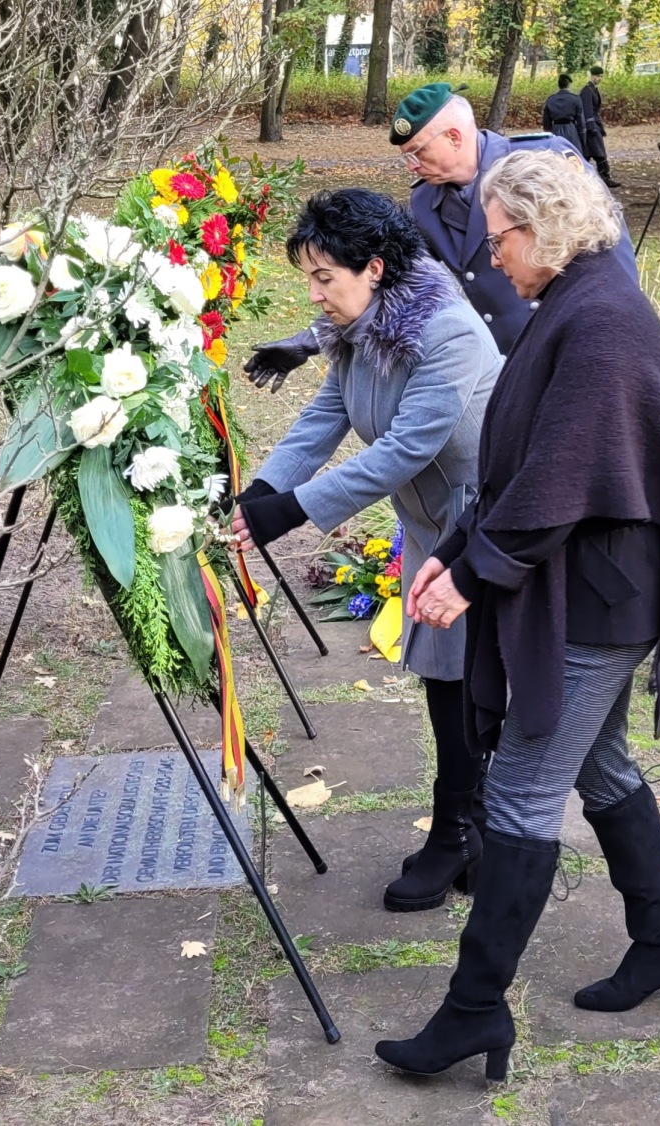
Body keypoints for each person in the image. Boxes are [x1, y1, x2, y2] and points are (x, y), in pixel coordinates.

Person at [373, 150, 660, 1080]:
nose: (492, 260)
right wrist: (451, 551)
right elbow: (519, 463)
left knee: (522, 788)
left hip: (606, 594)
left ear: (542, 229)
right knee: (598, 765)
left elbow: (561, 480)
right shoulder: (576, 300)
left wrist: (472, 573)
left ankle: (475, 1010)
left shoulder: (601, 319)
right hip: (593, 577)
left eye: (500, 241)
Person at [229, 189, 501, 912]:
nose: (315, 295)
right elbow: (326, 415)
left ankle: (464, 833)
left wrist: (287, 515)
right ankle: (467, 832)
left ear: (374, 268)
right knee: (446, 682)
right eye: (310, 279)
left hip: (486, 535)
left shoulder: (447, 334)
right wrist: (259, 493)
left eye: (325, 277)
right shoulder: (357, 328)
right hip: (431, 529)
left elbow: (409, 449)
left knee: (476, 686)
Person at [242, 82, 636, 390]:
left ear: (453, 137)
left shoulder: (541, 161)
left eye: (418, 152)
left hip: (571, 346)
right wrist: (308, 340)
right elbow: (396, 281)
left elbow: (607, 249)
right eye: (405, 157)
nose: (412, 166)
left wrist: (616, 337)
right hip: (499, 365)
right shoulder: (425, 202)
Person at [580, 65, 620, 187]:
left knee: (591, 152)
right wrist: (591, 126)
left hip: (594, 124)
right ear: (591, 76)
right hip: (591, 126)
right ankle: (603, 178)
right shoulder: (587, 90)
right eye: (598, 76)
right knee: (596, 152)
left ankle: (600, 177)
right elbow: (587, 110)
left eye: (601, 76)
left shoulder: (593, 89)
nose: (600, 78)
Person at [542, 73, 588, 158]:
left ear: (558, 85)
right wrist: (582, 138)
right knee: (573, 156)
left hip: (555, 130)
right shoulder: (576, 99)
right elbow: (581, 121)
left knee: (556, 156)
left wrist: (548, 135)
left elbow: (546, 123)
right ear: (568, 85)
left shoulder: (550, 99)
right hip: (571, 130)